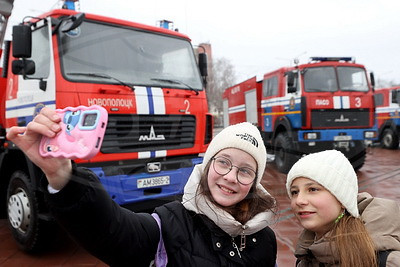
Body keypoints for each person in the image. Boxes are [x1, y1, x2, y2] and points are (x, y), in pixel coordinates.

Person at [7, 107, 277, 267]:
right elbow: (113, 230)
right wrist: (62, 175)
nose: (230, 177)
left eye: (245, 171)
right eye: (223, 163)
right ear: (207, 166)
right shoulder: (169, 225)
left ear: (254, 182)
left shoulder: (266, 239)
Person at [286, 149, 400, 267]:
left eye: (313, 189)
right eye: (295, 192)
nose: (299, 200)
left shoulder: (384, 260)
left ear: (342, 199)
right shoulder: (305, 257)